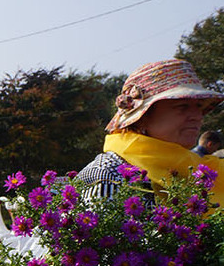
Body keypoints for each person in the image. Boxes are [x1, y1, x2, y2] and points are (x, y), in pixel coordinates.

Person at [74, 59, 223, 202]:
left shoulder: (197, 168)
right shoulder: (109, 175)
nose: (197, 116)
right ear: (142, 117)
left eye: (198, 106)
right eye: (182, 106)